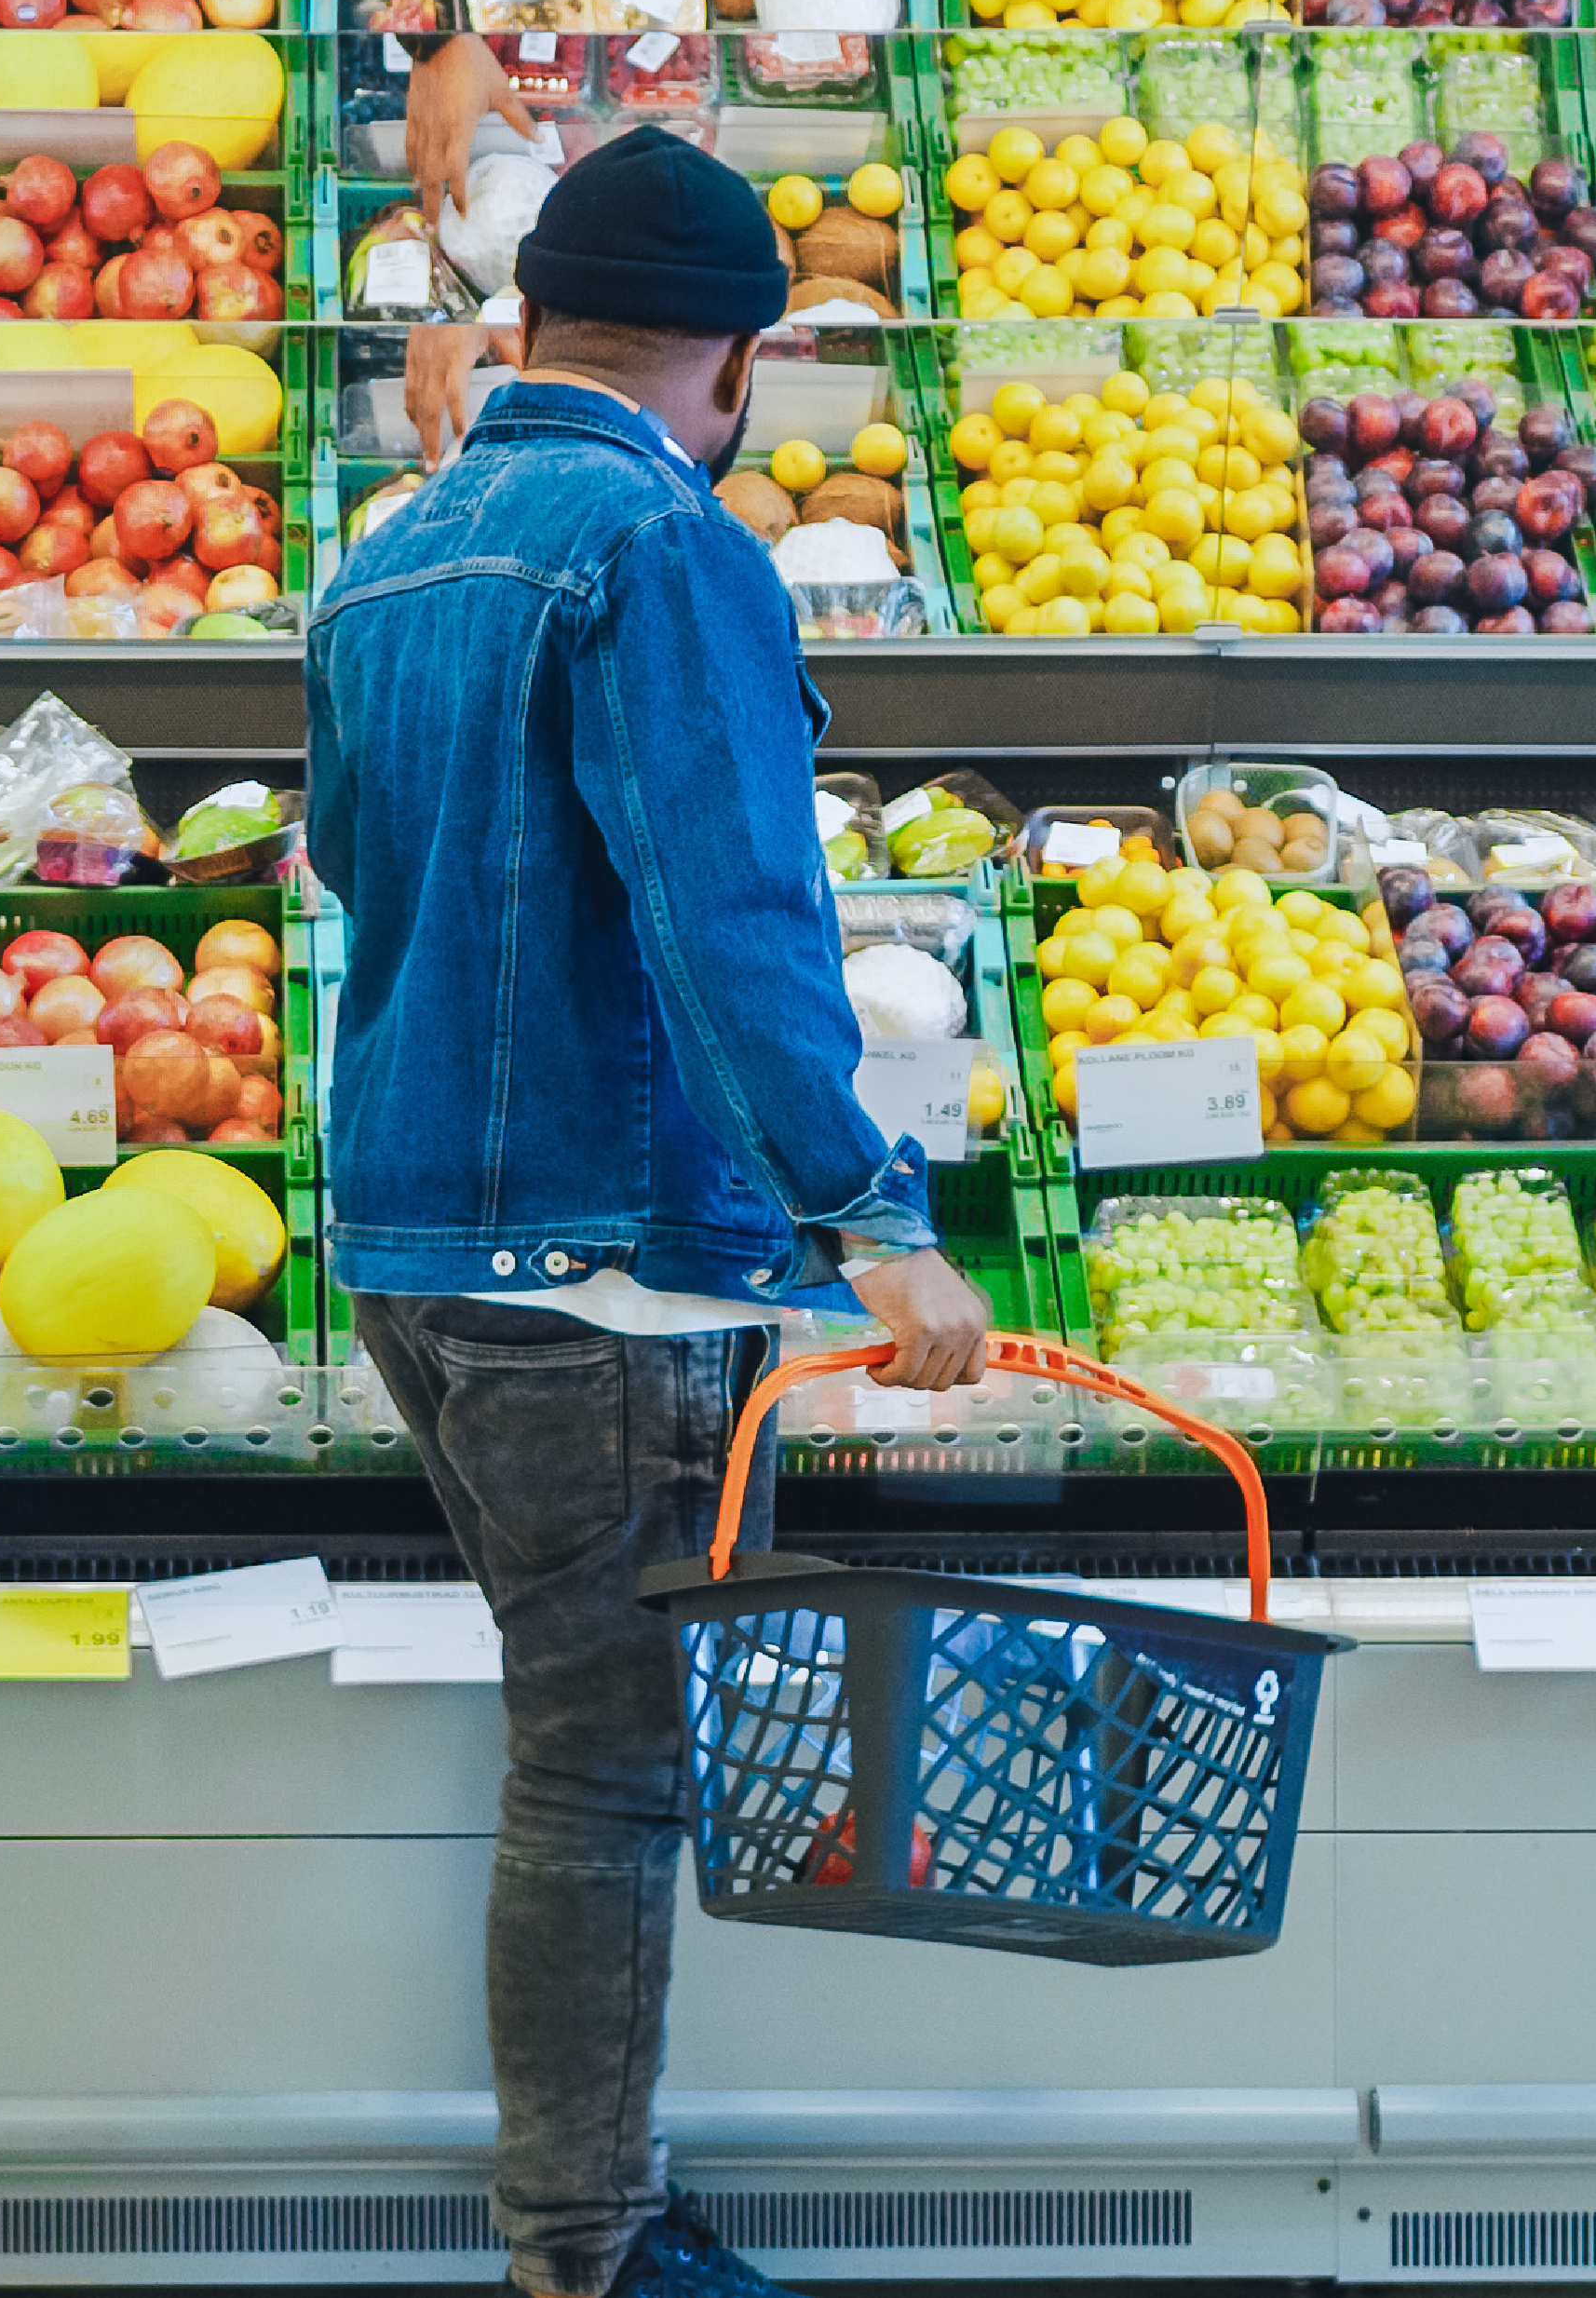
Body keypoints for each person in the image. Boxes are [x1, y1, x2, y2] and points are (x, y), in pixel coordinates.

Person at [305, 124, 997, 2298]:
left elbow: (344, 870)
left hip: (421, 1245)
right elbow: (731, 912)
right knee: (601, 1778)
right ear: (740, 359)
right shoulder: (661, 545)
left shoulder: (398, 545)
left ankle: (591, 2211)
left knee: (571, 1740)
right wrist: (866, 1214)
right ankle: (585, 2253)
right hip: (592, 1269)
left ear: (533, 327)